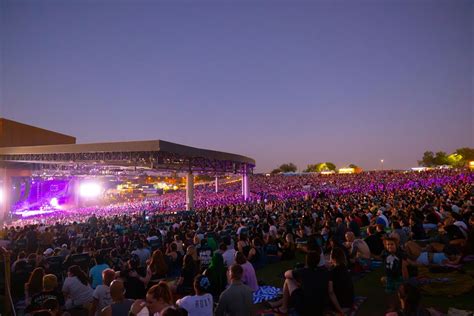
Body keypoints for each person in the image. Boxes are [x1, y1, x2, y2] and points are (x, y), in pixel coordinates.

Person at [268, 250, 329, 316]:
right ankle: (278, 303)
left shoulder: (303, 272)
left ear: (307, 261)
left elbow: (286, 274)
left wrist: (295, 272)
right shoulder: (324, 272)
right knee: (298, 286)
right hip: (320, 309)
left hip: (306, 309)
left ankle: (284, 308)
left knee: (288, 280)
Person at [328, 248, 354, 315]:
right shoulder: (345, 268)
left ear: (333, 257)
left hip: (341, 305)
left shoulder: (332, 272)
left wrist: (340, 310)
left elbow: (330, 292)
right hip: (349, 302)